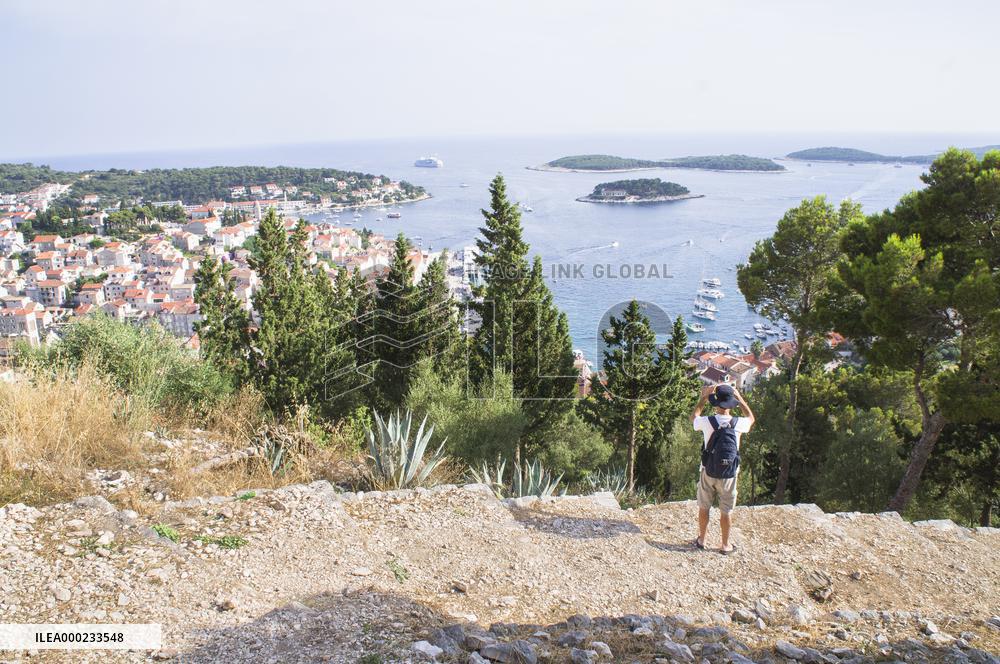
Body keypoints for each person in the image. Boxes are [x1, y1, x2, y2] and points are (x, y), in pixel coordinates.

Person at [691, 383, 755, 554]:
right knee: (726, 511)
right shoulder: (739, 423)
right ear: (731, 403)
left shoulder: (707, 422)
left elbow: (694, 417)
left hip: (708, 470)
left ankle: (702, 540)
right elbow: (751, 418)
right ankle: (725, 545)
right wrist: (740, 398)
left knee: (704, 507)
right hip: (729, 474)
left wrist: (704, 397)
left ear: (716, 402)